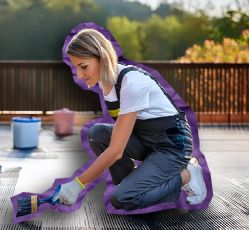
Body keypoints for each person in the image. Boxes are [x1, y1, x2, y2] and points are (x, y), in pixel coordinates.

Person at [53, 28, 207, 210]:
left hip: (173, 145)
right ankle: (132, 184)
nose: (79, 75)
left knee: (123, 199)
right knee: (97, 133)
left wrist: (76, 185)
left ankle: (187, 174)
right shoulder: (107, 83)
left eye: (83, 66)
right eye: (75, 68)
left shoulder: (131, 83)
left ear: (102, 58)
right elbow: (119, 137)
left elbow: (116, 151)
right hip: (149, 141)